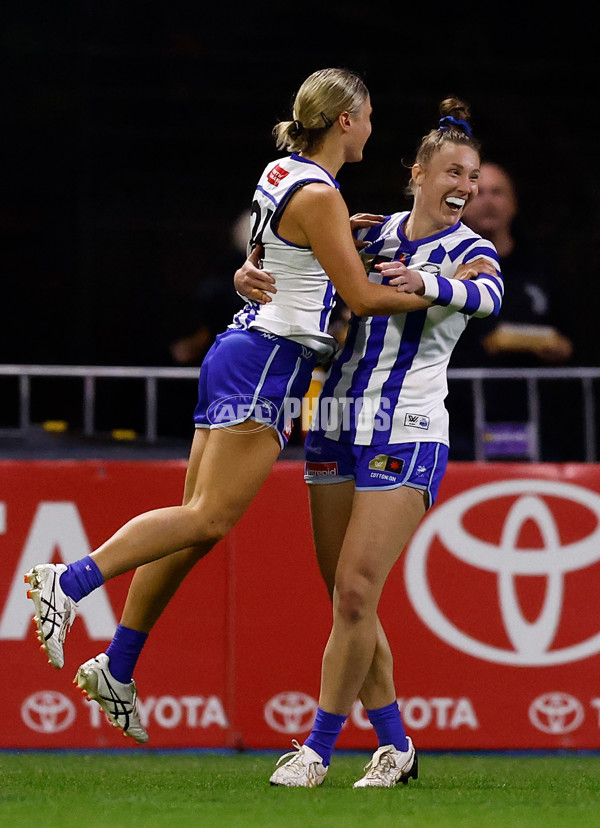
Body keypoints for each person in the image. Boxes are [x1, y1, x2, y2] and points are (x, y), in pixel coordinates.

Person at [24, 68, 440, 746]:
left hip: (240, 349)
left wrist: (312, 246)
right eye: (367, 115)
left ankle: (118, 666)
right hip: (270, 360)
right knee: (207, 517)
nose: (371, 126)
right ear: (345, 119)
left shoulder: (282, 173)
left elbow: (267, 257)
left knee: (193, 525)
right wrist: (441, 289)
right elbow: (362, 299)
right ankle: (68, 581)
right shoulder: (321, 193)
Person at [236, 98, 503, 787]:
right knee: (347, 599)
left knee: (356, 593)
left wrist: (429, 283)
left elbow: (489, 298)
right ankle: (395, 746)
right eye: (453, 173)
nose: (465, 187)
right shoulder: (372, 234)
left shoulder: (471, 251)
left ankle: (317, 750)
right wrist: (248, 272)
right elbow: (294, 266)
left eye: (472, 177)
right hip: (334, 422)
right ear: (417, 174)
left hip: (408, 430)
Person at [448, 161, 574, 459]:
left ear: (514, 204)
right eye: (479, 193)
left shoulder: (541, 268)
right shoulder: (447, 266)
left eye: (497, 192)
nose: (488, 201)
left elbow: (569, 336)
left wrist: (560, 348)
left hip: (535, 416)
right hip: (461, 418)